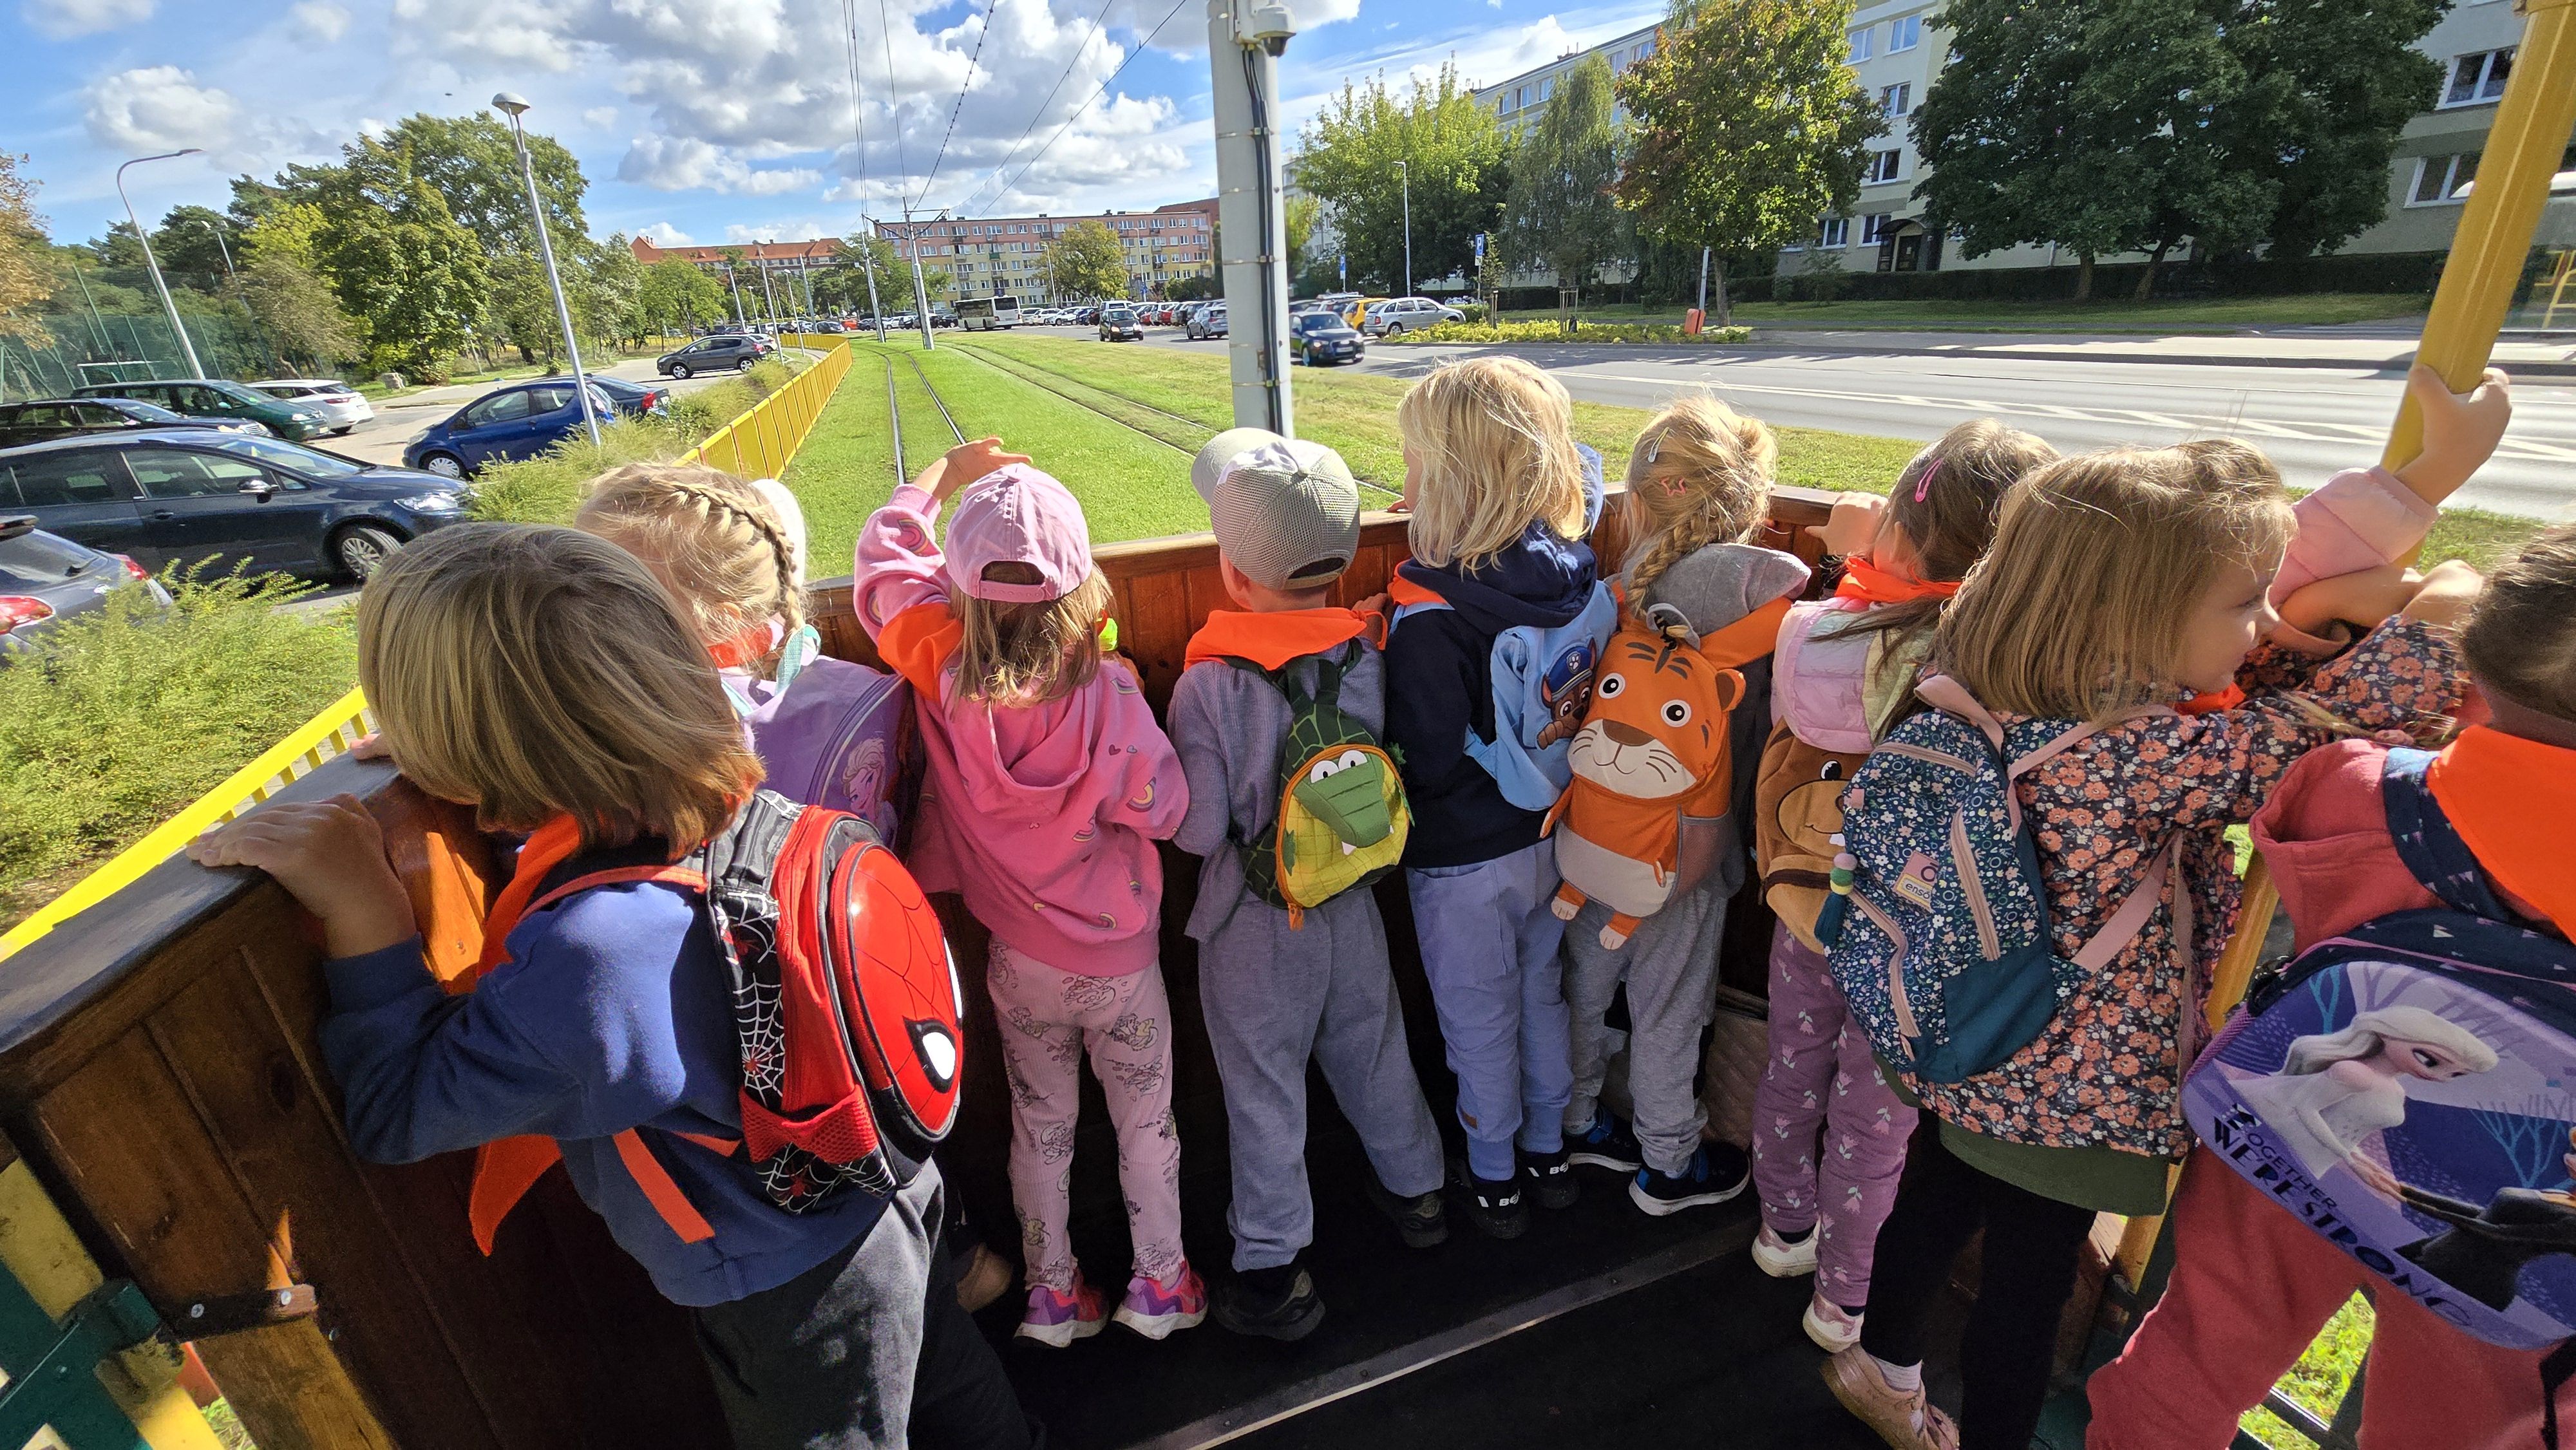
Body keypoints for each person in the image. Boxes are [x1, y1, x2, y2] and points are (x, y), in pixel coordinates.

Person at [187, 524, 1031, 1449]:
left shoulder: (592, 958)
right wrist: (479, 763)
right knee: (949, 1378)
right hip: (893, 1186)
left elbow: (397, 1110)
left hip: (790, 1280)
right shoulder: (746, 811)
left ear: (463, 749)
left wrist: (365, 912)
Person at [1819, 440, 2482, 1450]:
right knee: (2026, 1297)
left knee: (1938, 1198)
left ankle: (1880, 1364)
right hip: (2070, 1088)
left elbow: (2230, 682)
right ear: (2136, 621)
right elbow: (2321, 730)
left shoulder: (1992, 683)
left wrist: (2299, 616)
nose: (2262, 624)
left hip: (1966, 1034)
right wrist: (2439, 619)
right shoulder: (2140, 755)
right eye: (2247, 602)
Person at [2088, 524, 2576, 1450]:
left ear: (2476, 666)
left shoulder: (2365, 794)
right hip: (2525, 1210)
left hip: (2298, 1149)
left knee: (2198, 1349)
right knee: (2454, 1417)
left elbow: (2300, 797)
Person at [853, 436, 1200, 1348]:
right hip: (1120, 967)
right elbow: (1166, 809)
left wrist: (941, 474)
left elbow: (883, 563)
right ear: (1083, 588)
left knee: (1041, 1126)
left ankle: (1051, 1296)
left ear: (959, 592)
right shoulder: (1111, 693)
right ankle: (1161, 1284)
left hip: (1016, 962)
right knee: (1145, 1123)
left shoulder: (937, 662)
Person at [1750, 420, 2054, 1352]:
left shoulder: (1826, 632)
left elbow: (1822, 667)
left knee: (1790, 1067)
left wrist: (1848, 568)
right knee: (1873, 1123)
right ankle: (1843, 1299)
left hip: (1811, 902)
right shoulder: (2015, 662)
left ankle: (1782, 1230)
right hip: (1915, 944)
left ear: (1900, 536)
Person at [1168, 429, 1448, 1341]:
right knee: (1376, 1051)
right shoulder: (1363, 652)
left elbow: (1198, 829)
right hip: (1351, 900)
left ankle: (1272, 1269)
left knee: (1263, 1091)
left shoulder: (1206, 686)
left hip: (1256, 926)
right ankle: (1420, 1193)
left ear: (1231, 571)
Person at [1558, 396, 1805, 1218]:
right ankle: (1667, 1162)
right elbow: (1767, 737)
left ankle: (1576, 1118)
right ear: (1748, 501)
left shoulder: (1613, 587)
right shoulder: (1762, 603)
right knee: (1668, 1010)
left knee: (1583, 985)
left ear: (1635, 500)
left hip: (1591, 838)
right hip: (1688, 855)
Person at [1383, 357, 1605, 1238]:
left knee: (1477, 1016)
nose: (1402, 482)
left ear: (1449, 481)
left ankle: (1493, 1173)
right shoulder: (1576, 575)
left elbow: (1429, 758)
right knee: (1541, 995)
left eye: (1412, 464)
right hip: (1552, 835)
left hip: (1461, 860)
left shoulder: (1430, 611)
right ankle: (1548, 1150)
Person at [574, 464, 907, 836]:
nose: (576, 612)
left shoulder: (664, 732)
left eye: (609, 594)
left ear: (716, 621)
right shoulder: (847, 679)